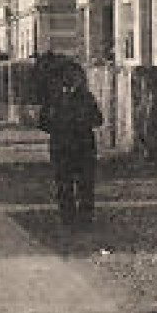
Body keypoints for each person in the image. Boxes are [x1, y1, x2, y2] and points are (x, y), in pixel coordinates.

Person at [37, 62, 103, 227]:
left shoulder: (86, 98)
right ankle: (68, 218)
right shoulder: (53, 99)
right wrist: (58, 126)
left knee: (85, 184)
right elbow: (43, 122)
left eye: (74, 77)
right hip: (62, 147)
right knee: (64, 184)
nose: (70, 80)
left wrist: (80, 122)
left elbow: (98, 119)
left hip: (83, 146)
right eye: (67, 77)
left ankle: (85, 218)